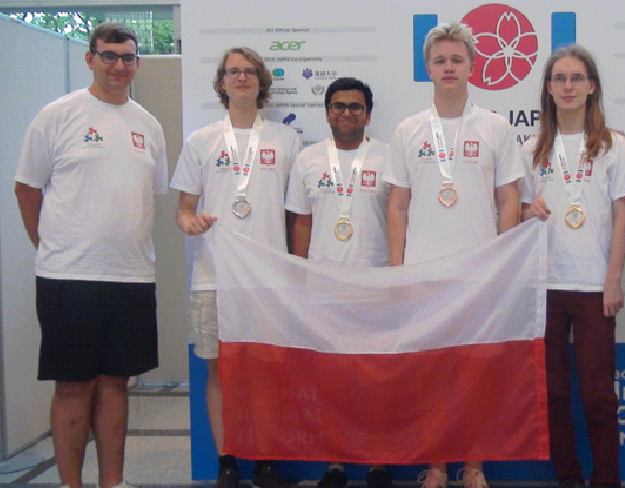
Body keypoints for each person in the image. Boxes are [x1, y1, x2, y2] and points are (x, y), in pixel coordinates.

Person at [14, 22, 167, 488]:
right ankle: (71, 484)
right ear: (90, 59)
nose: (118, 65)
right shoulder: (58, 115)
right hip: (70, 277)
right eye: (109, 56)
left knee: (117, 382)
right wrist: (49, 246)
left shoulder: (148, 124)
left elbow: (149, 194)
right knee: (74, 384)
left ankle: (112, 483)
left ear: (137, 63)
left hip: (132, 275)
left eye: (127, 57)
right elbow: (26, 188)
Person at [384, 21, 522, 488]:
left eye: (457, 60)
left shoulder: (496, 128)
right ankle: (438, 464)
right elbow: (397, 204)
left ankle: (474, 464)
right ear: (427, 68)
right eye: (440, 60)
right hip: (423, 273)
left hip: (479, 274)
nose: (448, 67)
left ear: (472, 67)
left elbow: (508, 198)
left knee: (476, 373)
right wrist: (398, 271)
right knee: (430, 373)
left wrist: (502, 262)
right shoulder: (407, 130)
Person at [169, 47, 301, 488]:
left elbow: (296, 213)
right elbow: (183, 209)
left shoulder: (286, 139)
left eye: (248, 72)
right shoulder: (202, 140)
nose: (241, 78)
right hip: (214, 276)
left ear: (261, 82)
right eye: (233, 72)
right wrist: (190, 223)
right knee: (219, 371)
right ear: (222, 82)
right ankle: (227, 459)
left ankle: (264, 460)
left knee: (266, 373)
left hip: (267, 281)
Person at [521, 44, 625, 488]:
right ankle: (567, 479)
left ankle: (607, 481)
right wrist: (528, 210)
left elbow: (623, 215)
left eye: (576, 78)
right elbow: (517, 212)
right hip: (545, 287)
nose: (567, 86)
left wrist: (613, 280)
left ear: (591, 87)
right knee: (553, 395)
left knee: (598, 396)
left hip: (594, 289)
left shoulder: (612, 146)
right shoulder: (532, 148)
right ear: (549, 89)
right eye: (559, 79)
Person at [285, 76, 393, 488]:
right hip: (323, 285)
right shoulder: (308, 159)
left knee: (375, 379)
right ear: (327, 112)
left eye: (355, 107)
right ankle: (335, 462)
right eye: (339, 106)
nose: (347, 113)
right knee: (331, 380)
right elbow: (301, 222)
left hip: (376, 283)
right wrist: (299, 276)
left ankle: (378, 461)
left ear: (368, 114)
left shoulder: (388, 157)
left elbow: (401, 216)